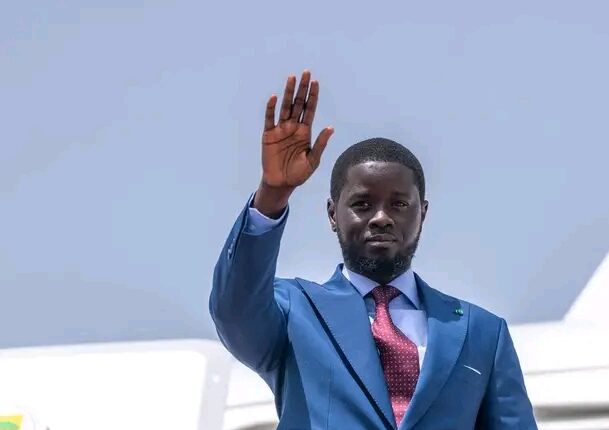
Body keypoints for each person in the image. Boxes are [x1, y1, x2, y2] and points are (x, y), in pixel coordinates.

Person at [210, 70, 538, 429]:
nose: (381, 218)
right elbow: (234, 310)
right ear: (332, 214)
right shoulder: (294, 313)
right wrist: (273, 193)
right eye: (362, 204)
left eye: (399, 204)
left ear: (423, 213)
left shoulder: (482, 332)